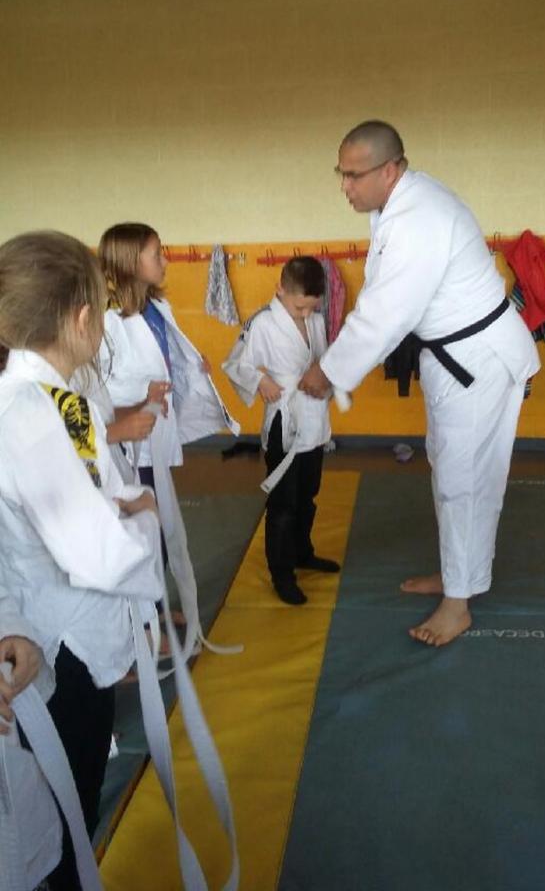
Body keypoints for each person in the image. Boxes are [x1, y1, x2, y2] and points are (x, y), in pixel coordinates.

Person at [300, 121, 540, 646]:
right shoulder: (397, 206)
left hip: (477, 359)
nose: (345, 186)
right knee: (451, 468)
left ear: (389, 169)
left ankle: (458, 604)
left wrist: (331, 370)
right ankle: (458, 576)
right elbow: (385, 301)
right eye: (340, 174)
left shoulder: (419, 217)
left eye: (354, 175)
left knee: (464, 479)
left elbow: (386, 312)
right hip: (458, 357)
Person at [0, 230, 162, 888]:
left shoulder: (57, 399)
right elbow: (98, 553)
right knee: (66, 815)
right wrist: (142, 525)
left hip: (63, 635)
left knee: (67, 804)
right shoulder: (30, 413)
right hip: (57, 645)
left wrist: (120, 501)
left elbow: (85, 488)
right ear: (82, 318)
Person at [97, 223, 239, 647]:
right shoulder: (109, 322)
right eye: (156, 253)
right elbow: (98, 391)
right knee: (137, 534)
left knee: (155, 529)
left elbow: (162, 359)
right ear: (129, 263)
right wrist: (141, 396)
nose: (166, 259)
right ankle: (139, 628)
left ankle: (155, 608)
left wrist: (189, 366)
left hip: (154, 437)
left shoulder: (156, 308)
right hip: (128, 446)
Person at [222, 256, 340, 605]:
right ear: (280, 289)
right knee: (284, 503)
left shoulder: (316, 321)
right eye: (299, 306)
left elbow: (323, 360)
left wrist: (327, 380)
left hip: (314, 418)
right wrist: (261, 380)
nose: (305, 314)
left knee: (308, 494)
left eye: (311, 308)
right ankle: (281, 572)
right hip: (284, 424)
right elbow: (235, 363)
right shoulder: (262, 323)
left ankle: (303, 553)